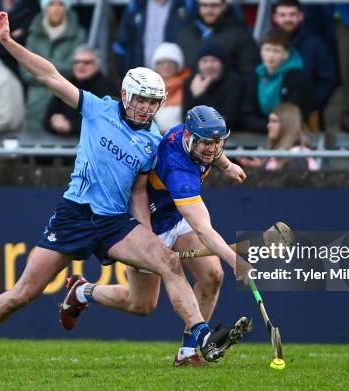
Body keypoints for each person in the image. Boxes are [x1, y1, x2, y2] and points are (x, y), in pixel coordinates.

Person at [0, 11, 249, 366]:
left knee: (168, 263)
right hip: (74, 216)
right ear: (125, 94)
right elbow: (47, 74)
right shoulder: (97, 109)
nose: (145, 108)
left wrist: (148, 230)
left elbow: (148, 185)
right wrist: (7, 42)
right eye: (139, 99)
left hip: (114, 223)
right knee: (22, 294)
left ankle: (199, 337)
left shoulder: (153, 143)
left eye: (153, 103)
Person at [59, 106, 251, 367]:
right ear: (188, 137)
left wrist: (227, 164)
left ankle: (188, 352)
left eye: (218, 142)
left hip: (175, 218)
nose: (212, 148)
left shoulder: (191, 138)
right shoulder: (178, 170)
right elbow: (204, 229)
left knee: (212, 276)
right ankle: (82, 291)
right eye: (205, 142)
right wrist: (236, 261)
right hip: (146, 228)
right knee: (141, 305)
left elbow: (211, 150)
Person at [20, 0, 87, 133]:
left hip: (65, 102)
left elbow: (73, 69)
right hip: (35, 103)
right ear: (44, 7)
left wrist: (39, 67)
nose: (56, 8)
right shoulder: (33, 34)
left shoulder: (79, 34)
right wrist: (55, 69)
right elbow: (25, 71)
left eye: (60, 4)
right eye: (51, 4)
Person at [241, 29, 315, 133]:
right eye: (267, 50)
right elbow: (246, 114)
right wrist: (267, 127)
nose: (271, 55)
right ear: (261, 52)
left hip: (289, 134)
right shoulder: (254, 76)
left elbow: (295, 113)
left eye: (276, 51)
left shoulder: (297, 77)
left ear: (286, 54)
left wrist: (274, 127)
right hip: (259, 134)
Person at [270, 0, 337, 111]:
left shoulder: (315, 44)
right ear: (274, 18)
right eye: (282, 15)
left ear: (301, 16)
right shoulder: (267, 44)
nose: (287, 19)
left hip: (306, 110)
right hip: (270, 109)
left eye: (292, 14)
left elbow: (328, 80)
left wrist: (312, 103)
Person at [43, 46, 117, 136]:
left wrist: (71, 126)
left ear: (97, 65)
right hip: (62, 144)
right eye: (76, 62)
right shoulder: (65, 84)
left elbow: (107, 123)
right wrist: (54, 122)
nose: (80, 65)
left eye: (86, 62)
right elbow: (47, 120)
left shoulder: (108, 88)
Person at [174, 0, 260, 79]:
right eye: (204, 5)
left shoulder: (241, 36)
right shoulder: (184, 35)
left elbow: (250, 75)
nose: (209, 11)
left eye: (214, 6)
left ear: (224, 6)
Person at [112, 0, 194, 76]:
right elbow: (122, 43)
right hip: (139, 76)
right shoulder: (136, 5)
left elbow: (191, 43)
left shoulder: (185, 5)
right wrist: (125, 73)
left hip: (173, 78)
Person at [238, 103, 319, 171]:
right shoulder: (281, 154)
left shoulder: (297, 156)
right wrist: (261, 166)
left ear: (286, 125)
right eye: (269, 121)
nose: (268, 125)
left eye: (274, 121)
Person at [183, 42, 243, 131]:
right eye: (204, 61)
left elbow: (229, 121)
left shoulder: (234, 82)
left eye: (214, 60)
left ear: (222, 63)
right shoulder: (191, 82)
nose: (209, 65)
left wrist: (201, 96)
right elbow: (186, 118)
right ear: (198, 64)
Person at [151, 42, 190, 132]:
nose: (166, 65)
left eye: (170, 62)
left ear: (178, 66)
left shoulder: (187, 87)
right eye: (162, 62)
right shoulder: (147, 87)